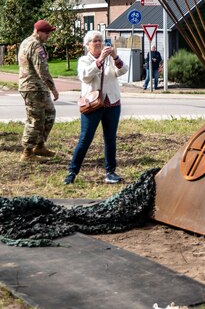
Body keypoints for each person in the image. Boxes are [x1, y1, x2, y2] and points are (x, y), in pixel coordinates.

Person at [64, 30, 128, 185]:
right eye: (94, 41)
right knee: (85, 138)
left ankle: (110, 172)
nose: (98, 43)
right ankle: (72, 172)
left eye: (100, 40)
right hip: (92, 104)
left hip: (112, 103)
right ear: (87, 45)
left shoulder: (110, 59)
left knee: (110, 139)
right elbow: (85, 76)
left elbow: (123, 70)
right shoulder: (83, 60)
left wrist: (114, 57)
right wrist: (99, 60)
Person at [18, 19, 60, 162]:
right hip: (32, 88)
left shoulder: (26, 42)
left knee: (49, 114)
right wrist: (53, 88)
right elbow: (42, 71)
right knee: (35, 119)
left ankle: (39, 146)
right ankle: (27, 153)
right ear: (38, 31)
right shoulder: (35, 46)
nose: (49, 35)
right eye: (46, 32)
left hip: (36, 88)